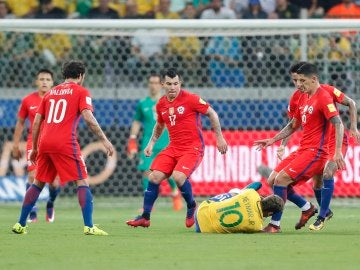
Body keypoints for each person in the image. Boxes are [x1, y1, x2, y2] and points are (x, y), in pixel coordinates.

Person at [12, 60, 115, 235]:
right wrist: (105, 140)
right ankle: (89, 226)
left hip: (45, 142)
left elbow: (36, 122)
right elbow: (89, 118)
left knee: (37, 182)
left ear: (64, 75)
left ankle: (20, 224)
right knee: (82, 181)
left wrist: (36, 147)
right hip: (65, 142)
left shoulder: (50, 93)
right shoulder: (81, 91)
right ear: (81, 76)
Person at [258, 62, 360, 230]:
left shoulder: (325, 94)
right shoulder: (301, 97)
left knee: (324, 174)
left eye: (301, 81)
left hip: (328, 145)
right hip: (306, 147)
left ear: (313, 79)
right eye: (295, 81)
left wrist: (350, 133)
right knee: (276, 180)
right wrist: (274, 140)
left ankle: (315, 216)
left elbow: (343, 116)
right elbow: (293, 124)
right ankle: (309, 208)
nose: (298, 84)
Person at [126, 68, 228, 228]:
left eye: (175, 83)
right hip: (173, 147)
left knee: (178, 177)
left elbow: (212, 114)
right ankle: (145, 217)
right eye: (169, 84)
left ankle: (191, 205)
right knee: (153, 177)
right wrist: (151, 143)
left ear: (180, 83)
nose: (172, 87)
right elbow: (159, 126)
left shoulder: (191, 99)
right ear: (163, 85)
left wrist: (219, 137)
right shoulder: (161, 104)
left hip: (192, 148)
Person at [127, 74, 183, 211]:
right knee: (147, 172)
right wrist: (132, 138)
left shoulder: (169, 101)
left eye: (156, 83)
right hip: (149, 143)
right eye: (151, 82)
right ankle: (148, 205)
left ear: (161, 84)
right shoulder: (143, 103)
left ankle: (175, 194)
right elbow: (137, 121)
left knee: (168, 172)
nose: (153, 85)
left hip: (166, 142)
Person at [12, 69, 60, 223]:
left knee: (54, 182)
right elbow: (20, 123)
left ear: (53, 82)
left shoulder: (58, 99)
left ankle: (50, 203)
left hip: (54, 142)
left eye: (47, 79)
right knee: (33, 176)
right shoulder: (27, 100)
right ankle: (32, 209)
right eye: (41, 79)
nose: (44, 82)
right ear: (36, 82)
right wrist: (15, 145)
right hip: (33, 142)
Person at [195, 182, 284, 233]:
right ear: (270, 213)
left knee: (236, 193)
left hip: (201, 210)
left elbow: (257, 184)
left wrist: (259, 198)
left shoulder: (251, 194)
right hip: (204, 229)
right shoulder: (256, 226)